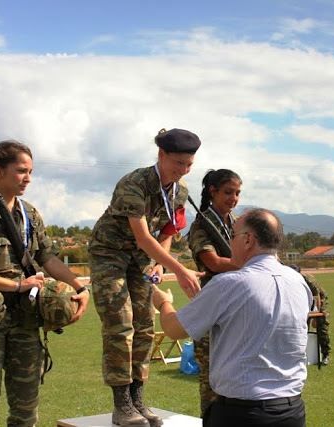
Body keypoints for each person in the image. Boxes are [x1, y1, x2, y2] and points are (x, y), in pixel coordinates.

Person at [0, 140, 91, 426]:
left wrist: (80, 288)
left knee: (26, 409)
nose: (28, 178)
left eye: (30, 171)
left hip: (26, 323)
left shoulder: (30, 214)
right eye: (21, 171)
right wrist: (17, 286)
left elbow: (49, 259)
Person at [153, 208, 313, 427]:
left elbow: (174, 329)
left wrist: (163, 302)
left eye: (233, 235)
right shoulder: (298, 282)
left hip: (242, 413)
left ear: (248, 240)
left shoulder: (229, 284)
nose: (230, 243)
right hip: (292, 411)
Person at [88, 128, 203, 427]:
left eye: (189, 164)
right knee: (119, 323)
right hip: (109, 253)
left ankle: (137, 397)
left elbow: (167, 231)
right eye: (178, 163)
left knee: (144, 325)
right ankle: (121, 404)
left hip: (140, 258)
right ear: (161, 155)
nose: (183, 170)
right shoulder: (134, 183)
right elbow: (142, 236)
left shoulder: (181, 192)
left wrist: (161, 265)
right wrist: (178, 268)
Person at [187, 168, 242, 417]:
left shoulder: (239, 224)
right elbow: (214, 263)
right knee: (212, 382)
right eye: (228, 192)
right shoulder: (201, 224)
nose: (234, 198)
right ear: (213, 191)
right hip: (213, 306)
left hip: (239, 306)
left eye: (238, 193)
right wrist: (253, 264)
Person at [290, 265, 331, 365]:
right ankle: (301, 354)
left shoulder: (309, 281)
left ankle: (326, 354)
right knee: (302, 327)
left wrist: (316, 317)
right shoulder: (289, 279)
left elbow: (317, 297)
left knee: (322, 326)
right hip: (303, 300)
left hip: (319, 300)